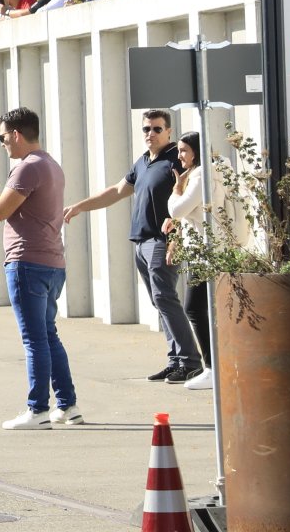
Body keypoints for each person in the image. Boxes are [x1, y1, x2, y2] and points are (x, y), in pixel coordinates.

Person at [0, 107, 81, 430]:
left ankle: (37, 409)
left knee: (35, 339)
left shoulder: (27, 168)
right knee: (48, 335)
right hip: (51, 262)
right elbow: (12, 205)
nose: (2, 144)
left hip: (27, 262)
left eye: (2, 137)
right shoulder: (49, 164)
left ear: (16, 134)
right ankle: (67, 405)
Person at [63, 109, 201, 383]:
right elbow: (116, 191)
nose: (151, 134)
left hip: (162, 241)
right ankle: (175, 360)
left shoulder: (176, 159)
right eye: (146, 129)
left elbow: (188, 201)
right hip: (141, 241)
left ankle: (190, 362)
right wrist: (80, 206)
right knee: (159, 302)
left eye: (157, 129)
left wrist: (176, 239)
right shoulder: (142, 162)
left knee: (165, 299)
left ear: (169, 131)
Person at [164, 132, 216, 390]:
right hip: (206, 252)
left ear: (196, 151)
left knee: (194, 308)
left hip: (207, 254)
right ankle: (215, 367)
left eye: (184, 150)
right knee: (206, 309)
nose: (179, 155)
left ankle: (212, 369)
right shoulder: (203, 174)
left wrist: (176, 189)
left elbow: (177, 209)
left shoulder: (201, 176)